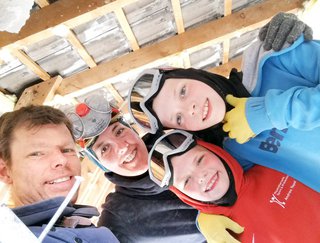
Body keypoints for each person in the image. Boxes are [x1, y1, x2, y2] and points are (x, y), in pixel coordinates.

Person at [128, 12, 320, 192]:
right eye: (178, 118)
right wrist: (206, 215)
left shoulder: (273, 57)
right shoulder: (234, 152)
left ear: (190, 73)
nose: (190, 108)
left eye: (183, 91)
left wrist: (267, 113)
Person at [69, 100, 241, 242]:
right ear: (100, 165)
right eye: (105, 149)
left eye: (120, 131)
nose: (122, 147)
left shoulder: (185, 140)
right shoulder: (119, 219)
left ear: (133, 130)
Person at [148, 129, 320, 242]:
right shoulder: (224, 235)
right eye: (186, 181)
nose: (201, 176)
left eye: (200, 160)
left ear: (214, 151)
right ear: (183, 196)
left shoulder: (265, 160)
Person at [0, 105, 119, 243]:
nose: (62, 160)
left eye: (67, 150)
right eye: (38, 153)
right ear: (5, 171)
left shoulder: (77, 225)